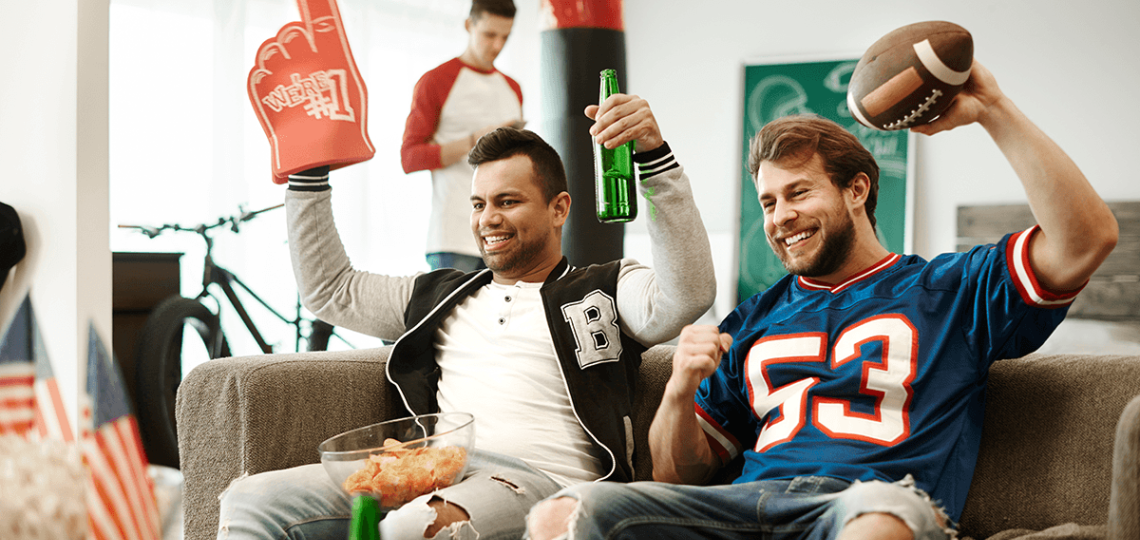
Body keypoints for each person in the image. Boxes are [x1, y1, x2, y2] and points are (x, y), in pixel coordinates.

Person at [525, 60, 1118, 540]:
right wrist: (680, 387)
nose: (780, 217)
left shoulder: (952, 289)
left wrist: (993, 109)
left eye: (799, 193)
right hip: (747, 509)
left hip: (867, 507)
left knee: (877, 523)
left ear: (856, 190)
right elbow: (680, 474)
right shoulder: (753, 319)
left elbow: (1086, 240)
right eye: (768, 202)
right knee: (562, 515)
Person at [215, 92, 716, 540]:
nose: (487, 219)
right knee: (253, 498)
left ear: (559, 209)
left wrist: (653, 157)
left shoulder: (603, 288)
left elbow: (686, 295)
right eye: (478, 204)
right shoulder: (440, 295)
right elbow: (332, 291)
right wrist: (308, 169)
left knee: (411, 528)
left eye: (507, 201)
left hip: (542, 482)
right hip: (433, 467)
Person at [401, 0, 525, 272]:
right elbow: (410, 158)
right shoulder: (436, 81)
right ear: (469, 25)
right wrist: (475, 141)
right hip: (454, 237)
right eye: (489, 35)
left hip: (505, 237)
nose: (497, 45)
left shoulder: (513, 89)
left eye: (505, 37)